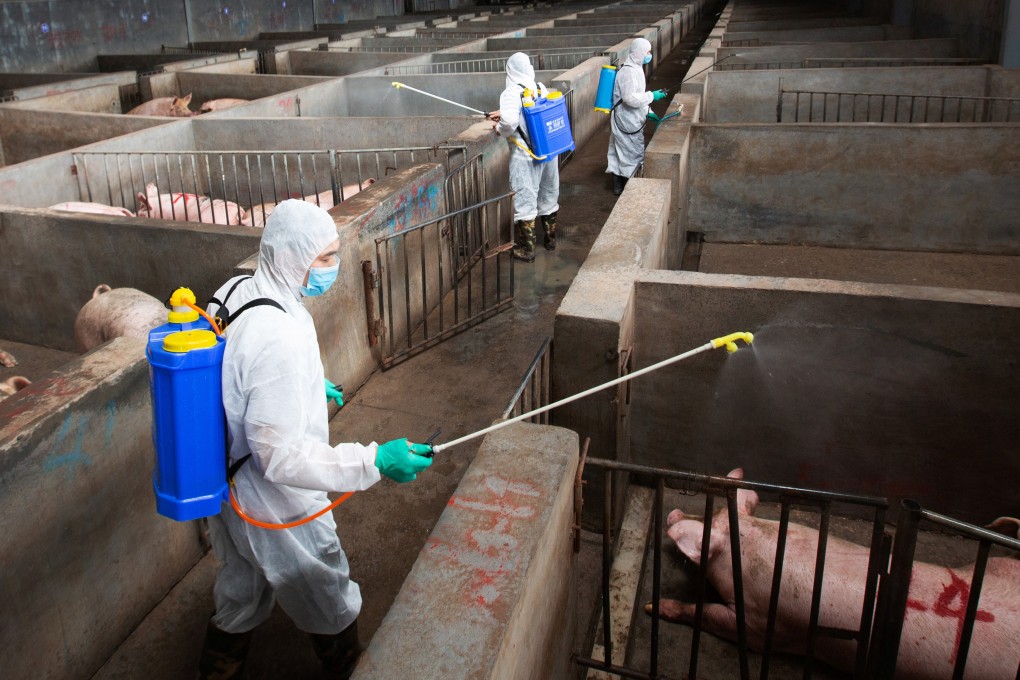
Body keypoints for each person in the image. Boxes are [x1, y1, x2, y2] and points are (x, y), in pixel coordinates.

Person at [197, 199, 433, 680]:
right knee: (326, 589)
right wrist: (373, 461)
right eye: (324, 257)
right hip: (273, 501)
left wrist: (303, 384)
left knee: (241, 590)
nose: (333, 266)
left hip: (227, 482)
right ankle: (346, 666)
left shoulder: (238, 289)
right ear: (290, 256)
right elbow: (281, 458)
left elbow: (234, 371)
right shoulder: (277, 337)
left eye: (334, 253)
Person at [488, 52, 560, 262]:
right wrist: (504, 112)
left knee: (525, 199)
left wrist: (499, 128)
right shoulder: (539, 87)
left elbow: (510, 122)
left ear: (510, 70)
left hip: (525, 156)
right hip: (547, 152)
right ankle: (550, 240)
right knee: (548, 194)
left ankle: (528, 250)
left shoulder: (511, 93)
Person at [606, 37, 669, 196]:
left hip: (629, 117)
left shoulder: (636, 68)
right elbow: (629, 98)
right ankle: (630, 188)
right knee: (632, 152)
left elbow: (638, 95)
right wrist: (652, 96)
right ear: (639, 52)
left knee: (620, 150)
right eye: (647, 52)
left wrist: (648, 111)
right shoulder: (628, 72)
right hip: (626, 119)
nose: (649, 55)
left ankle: (619, 184)